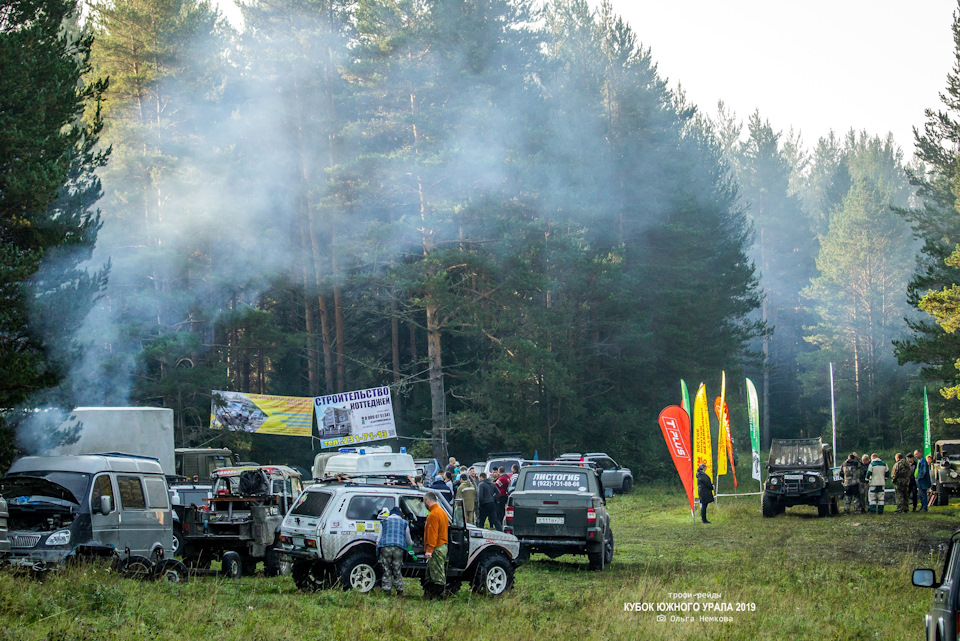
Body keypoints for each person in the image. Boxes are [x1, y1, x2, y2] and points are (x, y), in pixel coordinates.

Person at [377, 507, 413, 596]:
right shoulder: (404, 523)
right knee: (397, 569)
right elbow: (408, 541)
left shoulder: (384, 522)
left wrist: (378, 550)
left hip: (385, 546)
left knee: (386, 569)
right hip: (398, 548)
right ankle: (399, 590)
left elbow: (378, 538)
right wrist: (411, 544)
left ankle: (386, 591)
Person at [422, 491, 449, 599]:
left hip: (436, 548)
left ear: (427, 501)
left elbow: (432, 534)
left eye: (424, 502)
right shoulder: (442, 512)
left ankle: (439, 596)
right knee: (430, 574)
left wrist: (429, 550)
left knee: (437, 575)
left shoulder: (433, 515)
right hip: (442, 546)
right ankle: (428, 595)